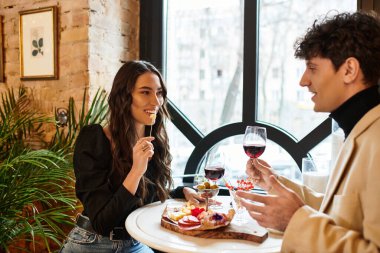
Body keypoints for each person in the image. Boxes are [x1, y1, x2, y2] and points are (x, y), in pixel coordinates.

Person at [237, 11, 380, 252]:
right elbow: (337, 212)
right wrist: (275, 183)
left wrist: (296, 220)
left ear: (349, 70)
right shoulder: (359, 130)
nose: (304, 81)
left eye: (312, 68)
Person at [60, 60, 201, 253]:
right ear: (124, 97)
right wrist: (136, 170)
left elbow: (146, 195)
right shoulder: (94, 139)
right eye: (145, 92)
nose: (156, 101)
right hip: (94, 242)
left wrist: (181, 192)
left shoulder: (153, 142)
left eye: (159, 93)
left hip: (136, 241)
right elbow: (103, 222)